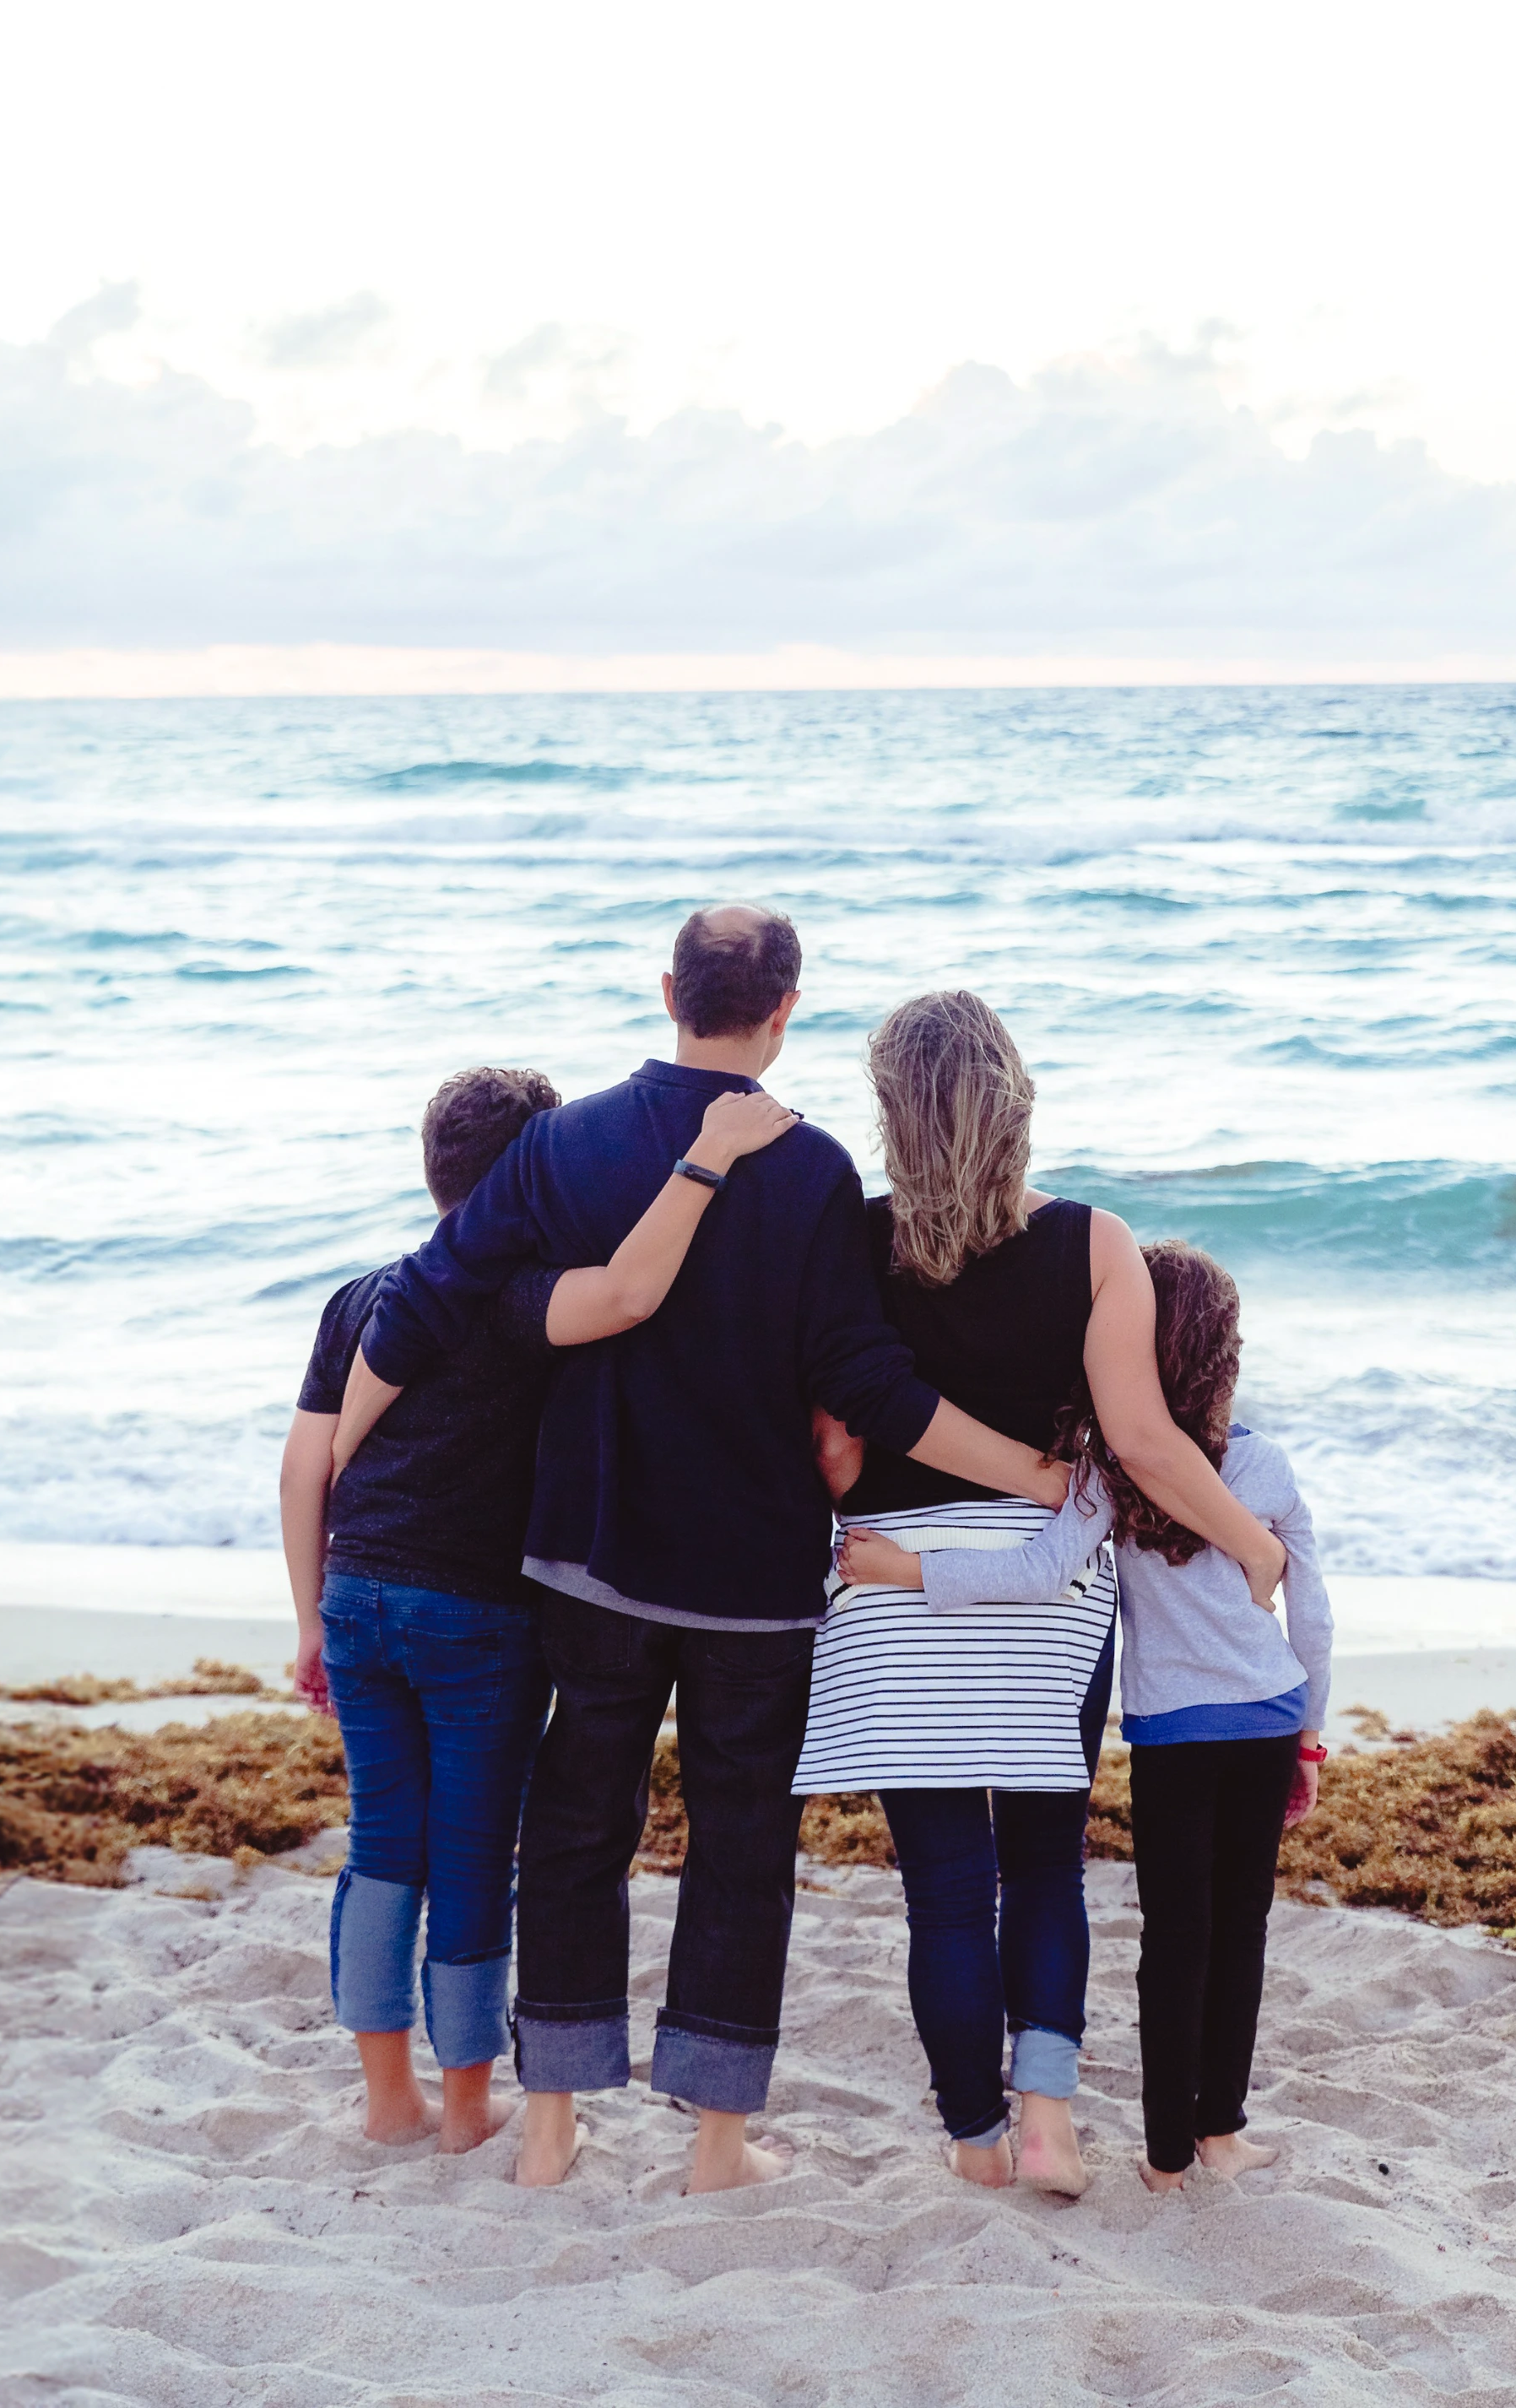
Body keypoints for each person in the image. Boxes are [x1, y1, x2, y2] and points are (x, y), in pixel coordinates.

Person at [338, 906, 1071, 2196]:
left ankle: (552, 2122)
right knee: (741, 1848)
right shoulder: (812, 1171)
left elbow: (430, 1294)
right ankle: (717, 2146)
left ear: (668, 986)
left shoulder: (564, 1143)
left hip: (592, 1556)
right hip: (751, 1577)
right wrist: (1033, 1473)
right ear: (787, 1008)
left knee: (575, 1827)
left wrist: (343, 1452)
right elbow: (867, 1381)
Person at [793, 992, 1296, 2200]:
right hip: (1042, 1592)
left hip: (893, 1586)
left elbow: (830, 1445)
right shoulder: (1092, 1240)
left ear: (891, 1113)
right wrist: (1252, 1547)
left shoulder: (851, 1243)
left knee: (949, 1891)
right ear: (1016, 1101)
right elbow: (1144, 1440)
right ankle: (1052, 2120)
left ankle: (975, 2137)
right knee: (1047, 1866)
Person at [280, 1063, 802, 2154]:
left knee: (383, 1844)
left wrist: (310, 1620)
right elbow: (627, 1292)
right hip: (475, 1616)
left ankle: (387, 2098)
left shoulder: (363, 1293)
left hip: (359, 1597)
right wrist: (708, 1159)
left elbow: (304, 1468)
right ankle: (468, 2105)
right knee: (471, 1855)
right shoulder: (519, 1297)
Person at [839, 1239, 1331, 2191]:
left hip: (1171, 1735)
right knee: (1243, 1931)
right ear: (1227, 1353)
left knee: (1174, 1938)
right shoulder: (1264, 1467)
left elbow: (1035, 1571)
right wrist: (1310, 1730)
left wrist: (905, 1569)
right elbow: (1311, 1614)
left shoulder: (1111, 1471)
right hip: (1268, 1720)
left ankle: (1161, 2159)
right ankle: (1220, 2131)